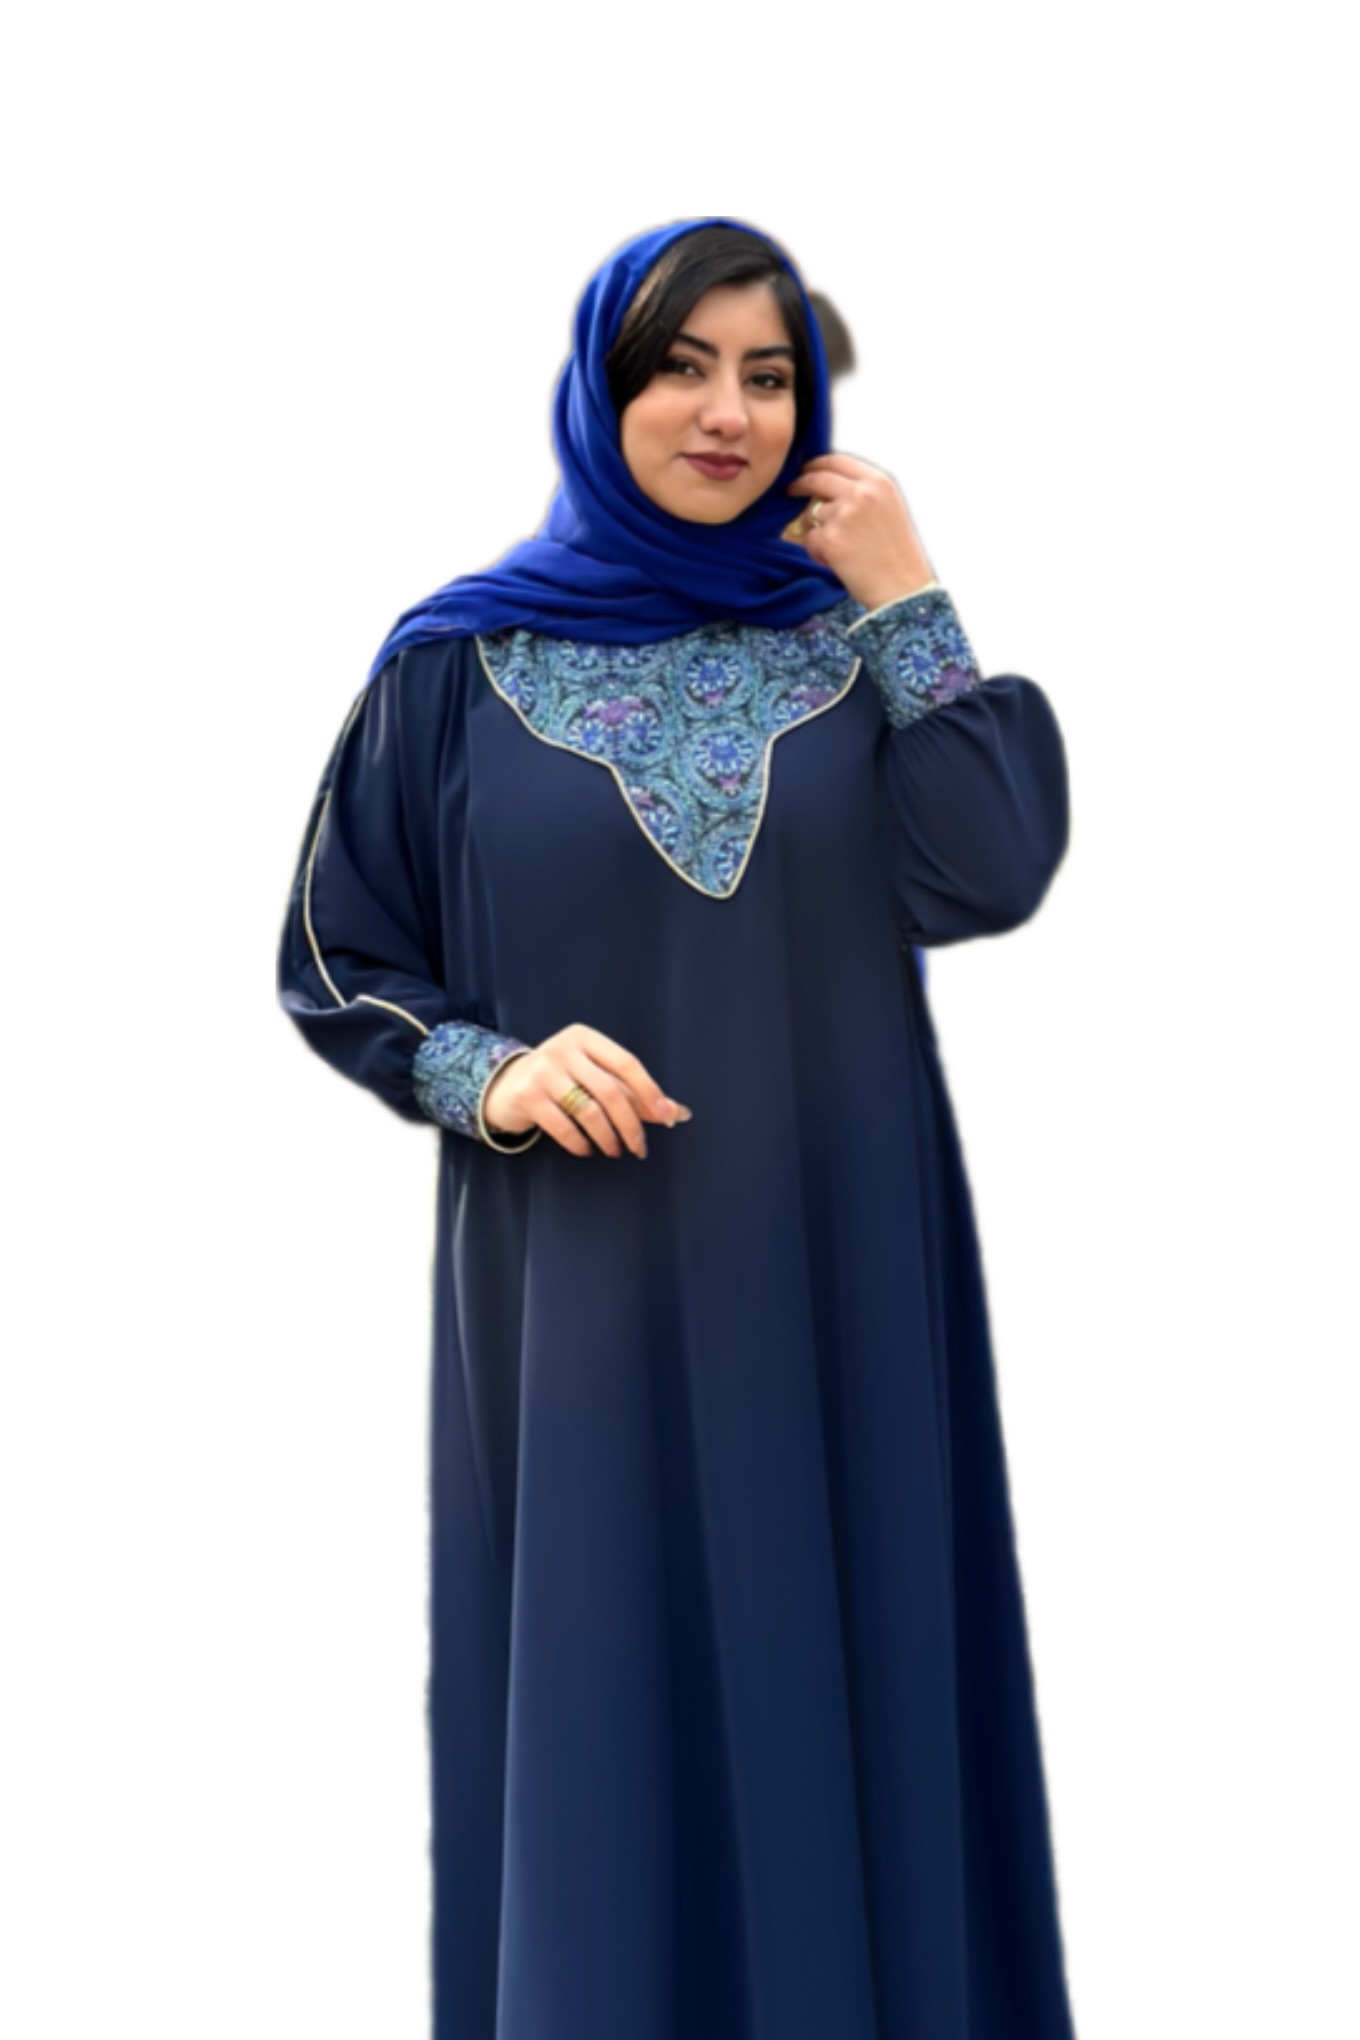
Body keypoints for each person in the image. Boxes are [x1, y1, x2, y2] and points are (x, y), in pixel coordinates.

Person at [278, 216, 1077, 2040]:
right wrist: (488, 1071)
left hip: (842, 1270)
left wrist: (909, 597)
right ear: (601, 388)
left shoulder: (852, 655)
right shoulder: (456, 666)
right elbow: (334, 952)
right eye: (682, 368)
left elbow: (991, 869)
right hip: (583, 1291)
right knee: (603, 1705)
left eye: (770, 376)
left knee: (851, 1673)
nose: (729, 412)